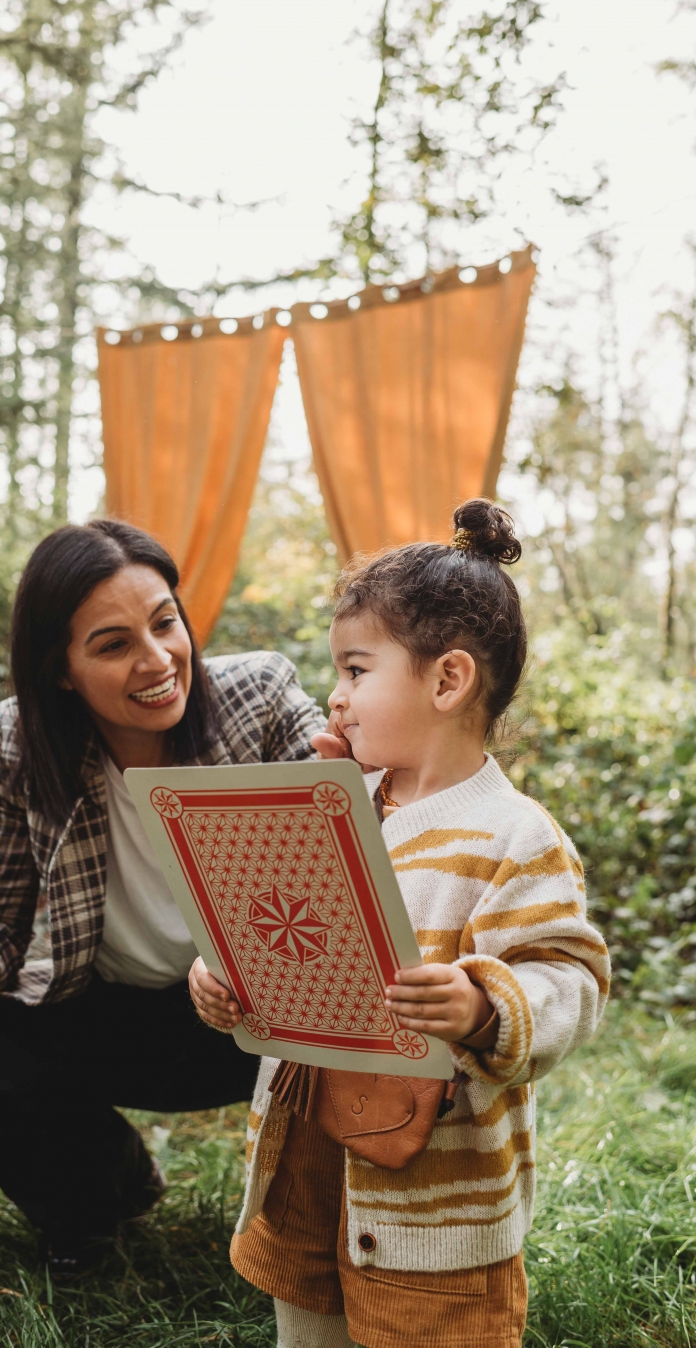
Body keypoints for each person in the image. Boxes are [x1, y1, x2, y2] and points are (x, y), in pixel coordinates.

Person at [190, 499, 611, 1348]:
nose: (335, 699)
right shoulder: (339, 807)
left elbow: (571, 979)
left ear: (447, 680)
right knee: (306, 1325)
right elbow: (288, 931)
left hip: (436, 1207)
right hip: (305, 1152)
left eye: (355, 671)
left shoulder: (515, 837)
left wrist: (485, 1004)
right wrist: (229, 974)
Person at [0, 518, 326, 1276]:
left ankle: (344, 1220)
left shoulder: (261, 695)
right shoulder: (20, 742)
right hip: (113, 1017)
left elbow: (358, 825)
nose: (156, 661)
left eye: (165, 623)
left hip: (261, 1017)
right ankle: (95, 1196)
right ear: (61, 670)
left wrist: (358, 770)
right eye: (112, 645)